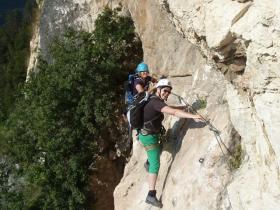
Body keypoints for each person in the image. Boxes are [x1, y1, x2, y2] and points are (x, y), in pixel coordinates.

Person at [139, 78, 203, 208]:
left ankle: (148, 161)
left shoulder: (154, 99)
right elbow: (172, 112)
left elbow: (167, 108)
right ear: (158, 89)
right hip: (149, 137)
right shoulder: (155, 102)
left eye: (169, 91)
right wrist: (193, 116)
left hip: (151, 134)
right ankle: (150, 195)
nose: (167, 93)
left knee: (161, 144)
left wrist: (182, 107)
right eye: (165, 91)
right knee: (155, 165)